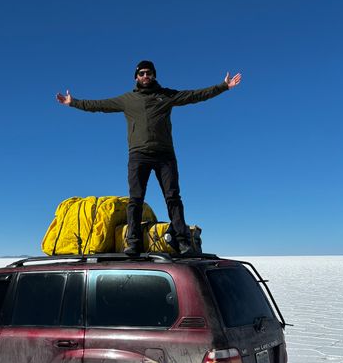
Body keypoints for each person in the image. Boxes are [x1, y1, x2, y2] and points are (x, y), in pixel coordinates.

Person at [56, 60, 242, 256]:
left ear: (154, 75)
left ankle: (183, 241)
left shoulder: (166, 96)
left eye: (149, 73)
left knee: (173, 198)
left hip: (165, 155)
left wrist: (223, 86)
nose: (146, 76)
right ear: (136, 77)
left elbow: (194, 96)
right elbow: (99, 105)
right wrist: (73, 102)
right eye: (142, 73)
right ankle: (133, 242)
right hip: (138, 155)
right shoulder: (127, 99)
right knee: (135, 200)